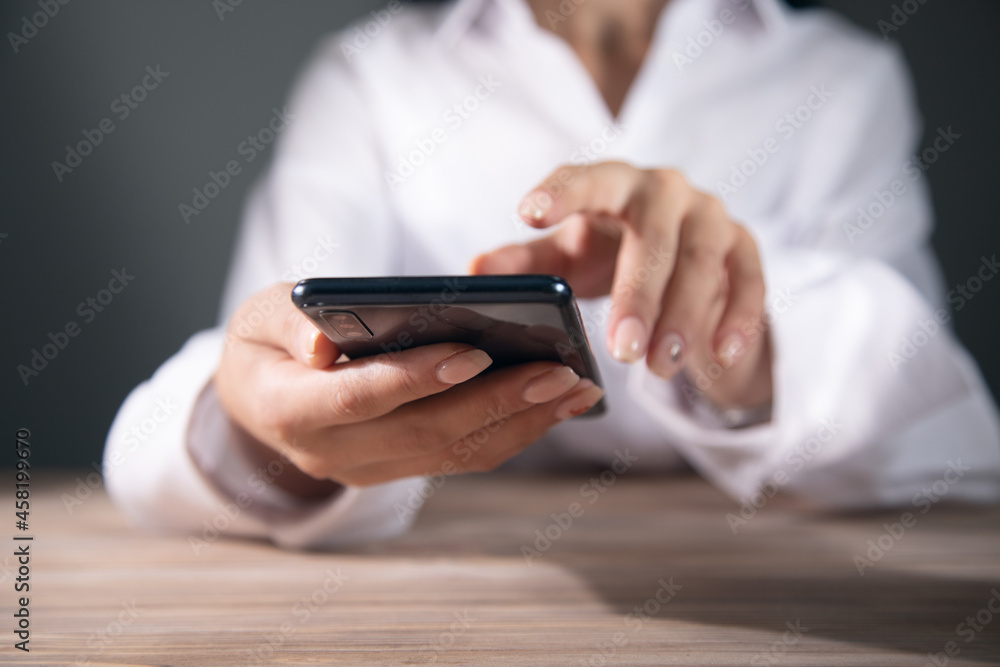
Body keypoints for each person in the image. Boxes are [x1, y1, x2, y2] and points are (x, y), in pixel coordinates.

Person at [104, 0, 1000, 549]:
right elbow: (269, 360)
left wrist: (742, 338)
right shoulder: (372, 74)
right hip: (449, 592)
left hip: (763, 576)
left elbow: (939, 435)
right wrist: (276, 441)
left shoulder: (841, 78)